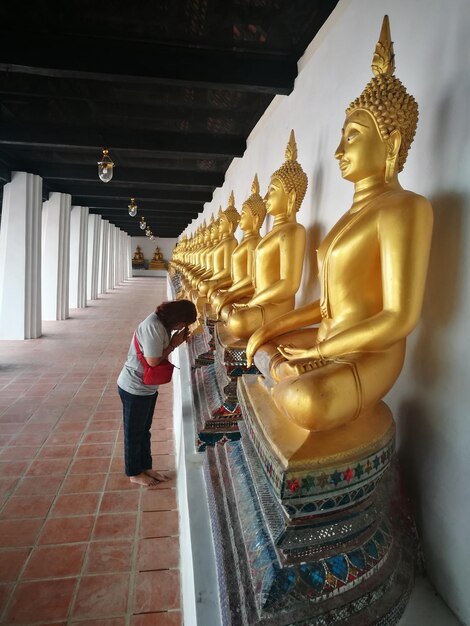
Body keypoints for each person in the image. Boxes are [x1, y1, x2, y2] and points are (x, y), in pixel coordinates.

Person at [246, 16, 433, 432]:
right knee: (263, 344)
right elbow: (327, 306)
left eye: (351, 136)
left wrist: (325, 348)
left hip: (371, 355)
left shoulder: (406, 208)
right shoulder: (347, 218)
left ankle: (289, 382)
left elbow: (399, 318)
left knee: (308, 399)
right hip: (328, 338)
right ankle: (286, 374)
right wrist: (272, 328)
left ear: (393, 142)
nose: (337, 151)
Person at [117, 299, 197, 486]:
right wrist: (174, 344)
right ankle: (134, 472)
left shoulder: (162, 325)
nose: (181, 327)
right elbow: (152, 361)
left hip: (146, 388)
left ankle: (145, 467)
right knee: (134, 432)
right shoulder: (154, 326)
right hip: (134, 387)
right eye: (183, 324)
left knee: (144, 430)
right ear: (178, 319)